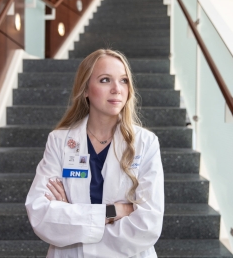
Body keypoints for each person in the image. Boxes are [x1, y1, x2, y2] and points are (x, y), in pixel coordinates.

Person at [25, 49, 164, 258]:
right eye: (105, 80)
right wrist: (115, 211)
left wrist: (72, 217)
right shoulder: (59, 141)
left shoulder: (145, 143)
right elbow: (41, 214)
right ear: (86, 89)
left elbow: (148, 225)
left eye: (124, 80)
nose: (117, 89)